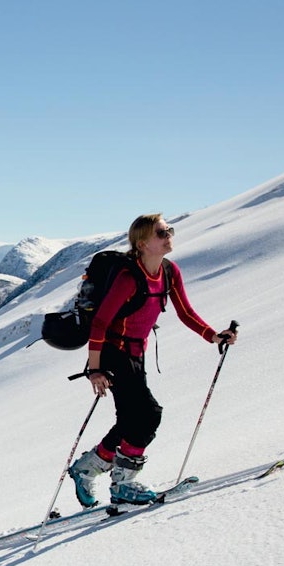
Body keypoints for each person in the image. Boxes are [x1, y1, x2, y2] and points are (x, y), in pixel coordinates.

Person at [68, 213, 238, 506]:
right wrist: (95, 369)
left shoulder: (169, 272)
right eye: (162, 232)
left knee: (130, 419)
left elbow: (185, 312)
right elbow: (99, 324)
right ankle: (123, 484)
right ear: (143, 243)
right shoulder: (127, 277)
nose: (169, 234)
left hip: (136, 352)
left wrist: (213, 336)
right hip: (113, 352)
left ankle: (87, 468)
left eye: (169, 229)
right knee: (149, 414)